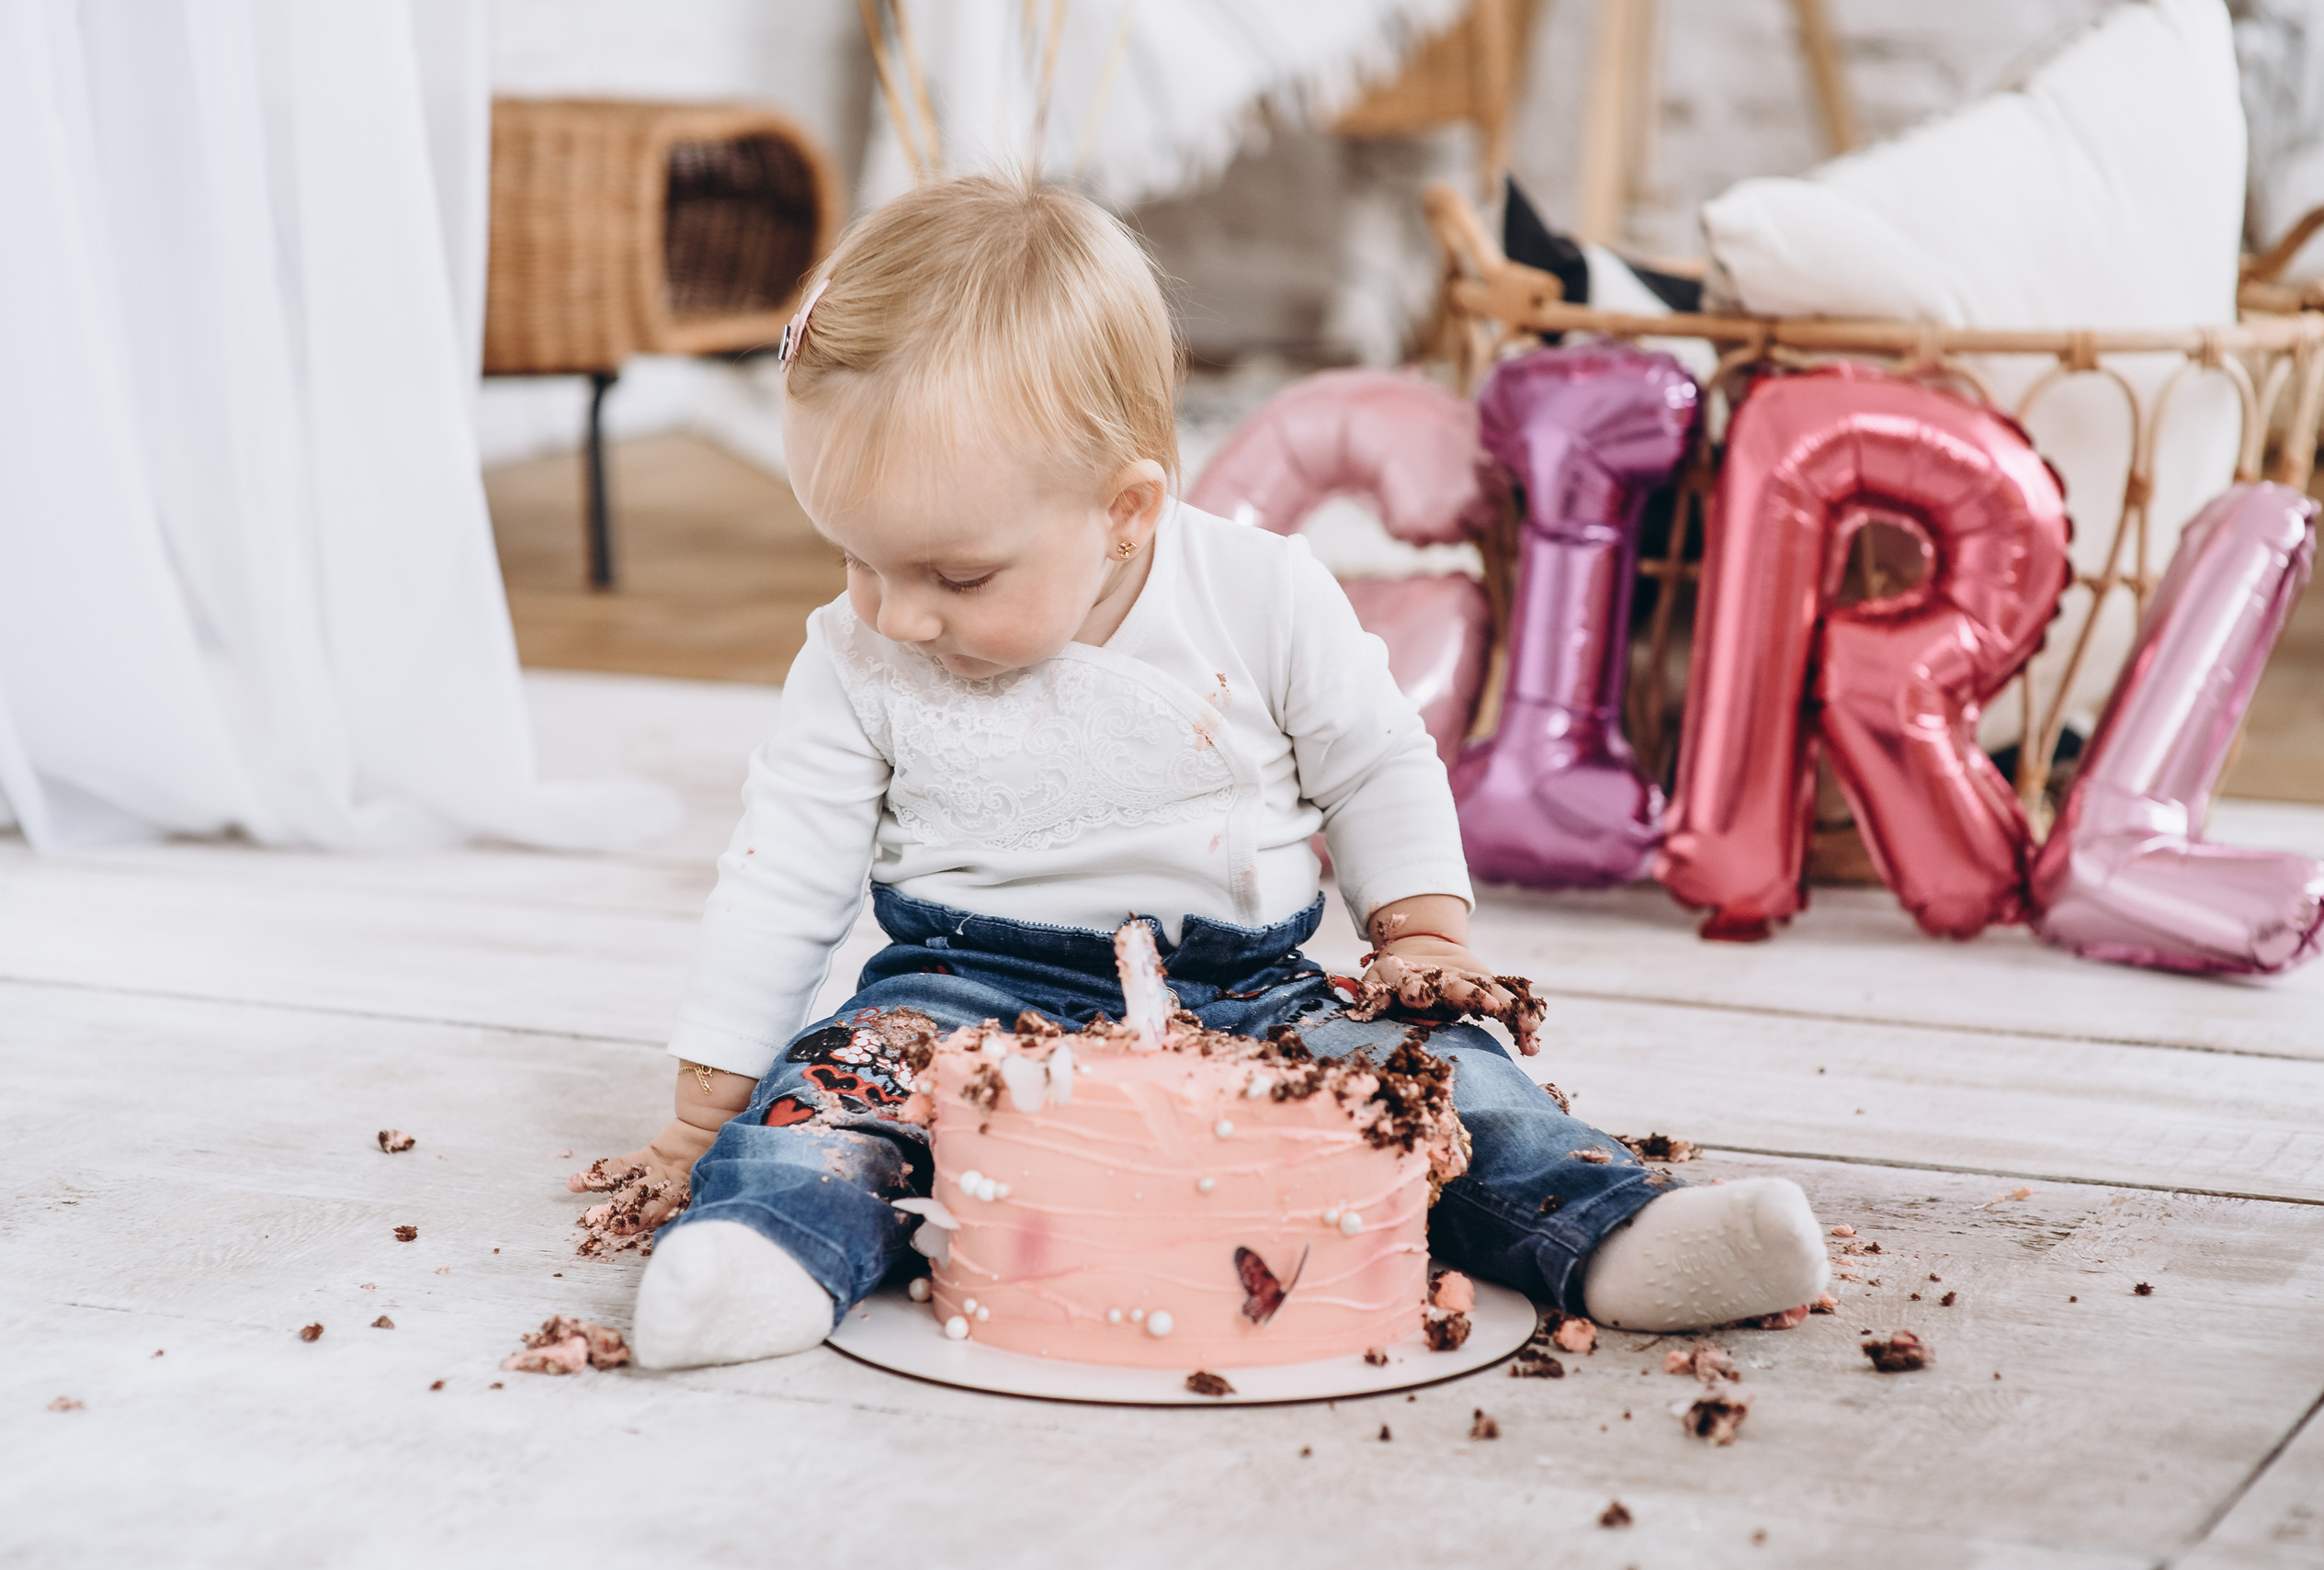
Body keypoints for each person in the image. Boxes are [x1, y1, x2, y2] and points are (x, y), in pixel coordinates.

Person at [583, 175, 1827, 1369]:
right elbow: (777, 880)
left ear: (1125, 511)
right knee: (835, 1101)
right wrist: (706, 1115)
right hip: (956, 989)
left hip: (1256, 985)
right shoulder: (853, 657)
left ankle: (1611, 1228)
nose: (894, 614)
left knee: (1452, 1090)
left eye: (954, 576)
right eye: (857, 556)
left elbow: (1379, 761)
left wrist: (1421, 932)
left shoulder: (1261, 591)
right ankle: (767, 1250)